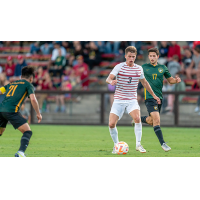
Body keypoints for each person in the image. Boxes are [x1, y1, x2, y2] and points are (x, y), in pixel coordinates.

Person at [106, 46, 160, 154]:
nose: (131, 58)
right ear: (125, 56)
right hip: (119, 99)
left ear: (135, 57)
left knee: (137, 118)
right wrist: (110, 82)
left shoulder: (139, 68)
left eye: (133, 57)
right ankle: (116, 145)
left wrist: (154, 95)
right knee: (111, 124)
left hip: (131, 100)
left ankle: (138, 145)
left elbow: (144, 83)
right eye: (129, 56)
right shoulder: (119, 67)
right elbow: (108, 78)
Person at [138, 48, 181, 151]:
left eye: (154, 56)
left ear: (157, 57)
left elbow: (170, 80)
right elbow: (135, 77)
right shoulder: (143, 67)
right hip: (149, 97)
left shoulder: (163, 68)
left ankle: (138, 119)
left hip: (159, 98)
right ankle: (163, 144)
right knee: (157, 120)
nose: (152, 58)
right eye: (150, 56)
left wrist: (176, 80)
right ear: (148, 57)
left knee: (151, 121)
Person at [0, 66, 42, 157]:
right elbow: (33, 100)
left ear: (21, 76)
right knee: (27, 132)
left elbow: (0, 91)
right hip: (11, 111)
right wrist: (38, 113)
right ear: (31, 78)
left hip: (1, 109)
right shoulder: (28, 85)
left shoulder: (12, 84)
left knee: (0, 132)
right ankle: (21, 152)